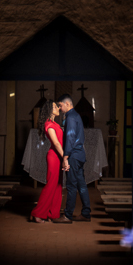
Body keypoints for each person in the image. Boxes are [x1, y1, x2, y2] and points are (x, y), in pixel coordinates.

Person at [56, 93, 90, 223]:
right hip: (80, 155)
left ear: (67, 104)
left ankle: (68, 215)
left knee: (71, 186)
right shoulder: (76, 116)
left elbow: (70, 138)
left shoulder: (70, 117)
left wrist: (65, 157)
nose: (59, 108)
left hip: (73, 156)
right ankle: (86, 213)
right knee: (81, 185)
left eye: (60, 105)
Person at [29, 100, 64, 223]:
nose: (58, 108)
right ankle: (37, 213)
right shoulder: (48, 124)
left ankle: (52, 214)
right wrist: (65, 157)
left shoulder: (55, 123)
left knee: (58, 186)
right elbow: (55, 143)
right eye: (55, 106)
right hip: (54, 157)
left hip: (58, 157)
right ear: (49, 110)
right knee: (51, 185)